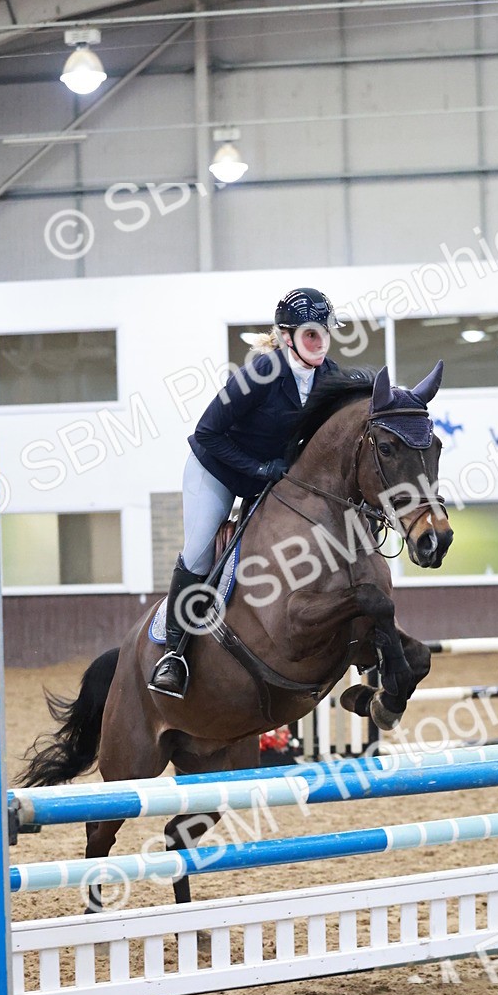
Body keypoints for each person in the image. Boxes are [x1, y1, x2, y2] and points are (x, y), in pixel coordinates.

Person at [149, 287, 344, 698]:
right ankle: (174, 654)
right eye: (312, 334)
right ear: (288, 337)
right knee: (201, 551)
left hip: (270, 480)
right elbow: (207, 433)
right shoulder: (259, 375)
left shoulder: (330, 378)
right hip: (217, 469)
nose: (321, 342)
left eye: (325, 333)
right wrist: (257, 468)